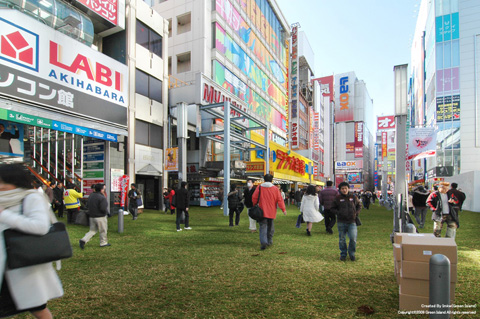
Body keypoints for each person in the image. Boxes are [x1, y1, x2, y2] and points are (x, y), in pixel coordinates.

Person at [0, 163, 63, 319]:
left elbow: (40, 227)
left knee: (38, 309)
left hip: (23, 265)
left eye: (3, 182)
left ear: (15, 181)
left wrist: (4, 214)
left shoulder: (31, 197)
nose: (0, 186)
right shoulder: (3, 199)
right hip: (5, 265)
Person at [252, 174, 287, 250]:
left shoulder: (260, 187)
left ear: (264, 179)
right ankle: (270, 240)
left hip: (261, 211)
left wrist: (254, 204)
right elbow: (280, 200)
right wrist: (283, 209)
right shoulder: (275, 189)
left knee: (263, 226)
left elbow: (254, 197)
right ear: (272, 180)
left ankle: (263, 242)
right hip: (271, 211)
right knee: (271, 227)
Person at [331, 182, 361, 261]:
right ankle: (343, 254)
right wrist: (338, 213)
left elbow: (359, 205)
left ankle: (352, 253)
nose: (344, 190)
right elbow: (332, 208)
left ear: (348, 189)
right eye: (342, 189)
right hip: (341, 221)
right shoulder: (337, 198)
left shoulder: (353, 197)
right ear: (340, 190)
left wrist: (356, 213)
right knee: (342, 239)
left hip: (352, 221)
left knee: (353, 238)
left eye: (345, 188)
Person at [79, 183, 111, 249]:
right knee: (103, 230)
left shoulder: (91, 195)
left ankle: (83, 240)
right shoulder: (102, 197)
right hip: (100, 217)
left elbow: (87, 205)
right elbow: (103, 208)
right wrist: (107, 213)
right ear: (101, 190)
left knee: (92, 230)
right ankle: (103, 242)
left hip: (92, 216)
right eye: (103, 189)